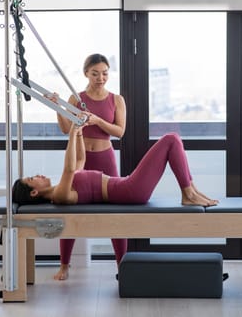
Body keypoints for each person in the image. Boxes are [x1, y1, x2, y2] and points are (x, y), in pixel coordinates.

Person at [12, 123, 219, 230]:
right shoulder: (59, 195)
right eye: (32, 178)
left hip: (127, 185)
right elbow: (68, 169)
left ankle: (191, 191)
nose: (38, 175)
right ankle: (188, 193)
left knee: (173, 140)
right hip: (130, 190)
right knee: (171, 139)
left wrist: (80, 133)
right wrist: (72, 134)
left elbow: (79, 161)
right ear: (34, 192)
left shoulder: (61, 187)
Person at [51, 54, 127, 281]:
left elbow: (120, 131)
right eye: (95, 73)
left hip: (106, 158)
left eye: (104, 73)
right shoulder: (76, 99)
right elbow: (66, 129)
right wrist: (57, 108)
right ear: (86, 73)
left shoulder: (117, 100)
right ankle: (64, 265)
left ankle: (122, 265)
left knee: (117, 213)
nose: (100, 77)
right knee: (69, 211)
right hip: (80, 158)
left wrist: (97, 121)